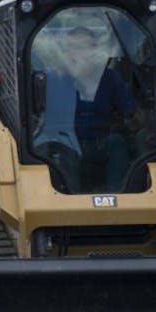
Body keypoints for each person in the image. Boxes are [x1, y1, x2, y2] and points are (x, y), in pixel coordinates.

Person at [36, 26, 137, 193]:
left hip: (101, 139)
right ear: (67, 53)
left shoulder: (110, 78)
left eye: (84, 48)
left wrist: (131, 121)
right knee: (64, 148)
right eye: (74, 49)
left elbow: (131, 111)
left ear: (94, 50)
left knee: (117, 143)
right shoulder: (55, 78)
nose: (79, 54)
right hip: (68, 139)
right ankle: (69, 199)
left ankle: (117, 196)